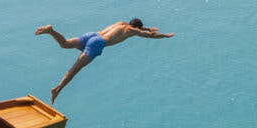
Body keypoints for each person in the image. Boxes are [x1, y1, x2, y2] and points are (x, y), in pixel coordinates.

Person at [37, 19, 174, 104]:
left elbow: (140, 29)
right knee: (74, 69)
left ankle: (51, 31)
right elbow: (150, 36)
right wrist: (165, 36)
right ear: (136, 28)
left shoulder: (121, 23)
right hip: (97, 43)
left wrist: (148, 28)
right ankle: (57, 89)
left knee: (65, 43)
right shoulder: (131, 30)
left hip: (92, 35)